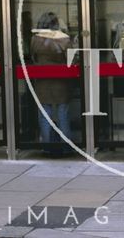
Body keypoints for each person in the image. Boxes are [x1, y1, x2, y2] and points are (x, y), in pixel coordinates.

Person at [30, 12, 74, 157]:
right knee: (63, 114)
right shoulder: (64, 39)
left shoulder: (34, 40)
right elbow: (71, 60)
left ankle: (47, 147)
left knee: (44, 115)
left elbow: (32, 58)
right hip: (61, 82)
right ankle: (66, 147)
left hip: (42, 82)